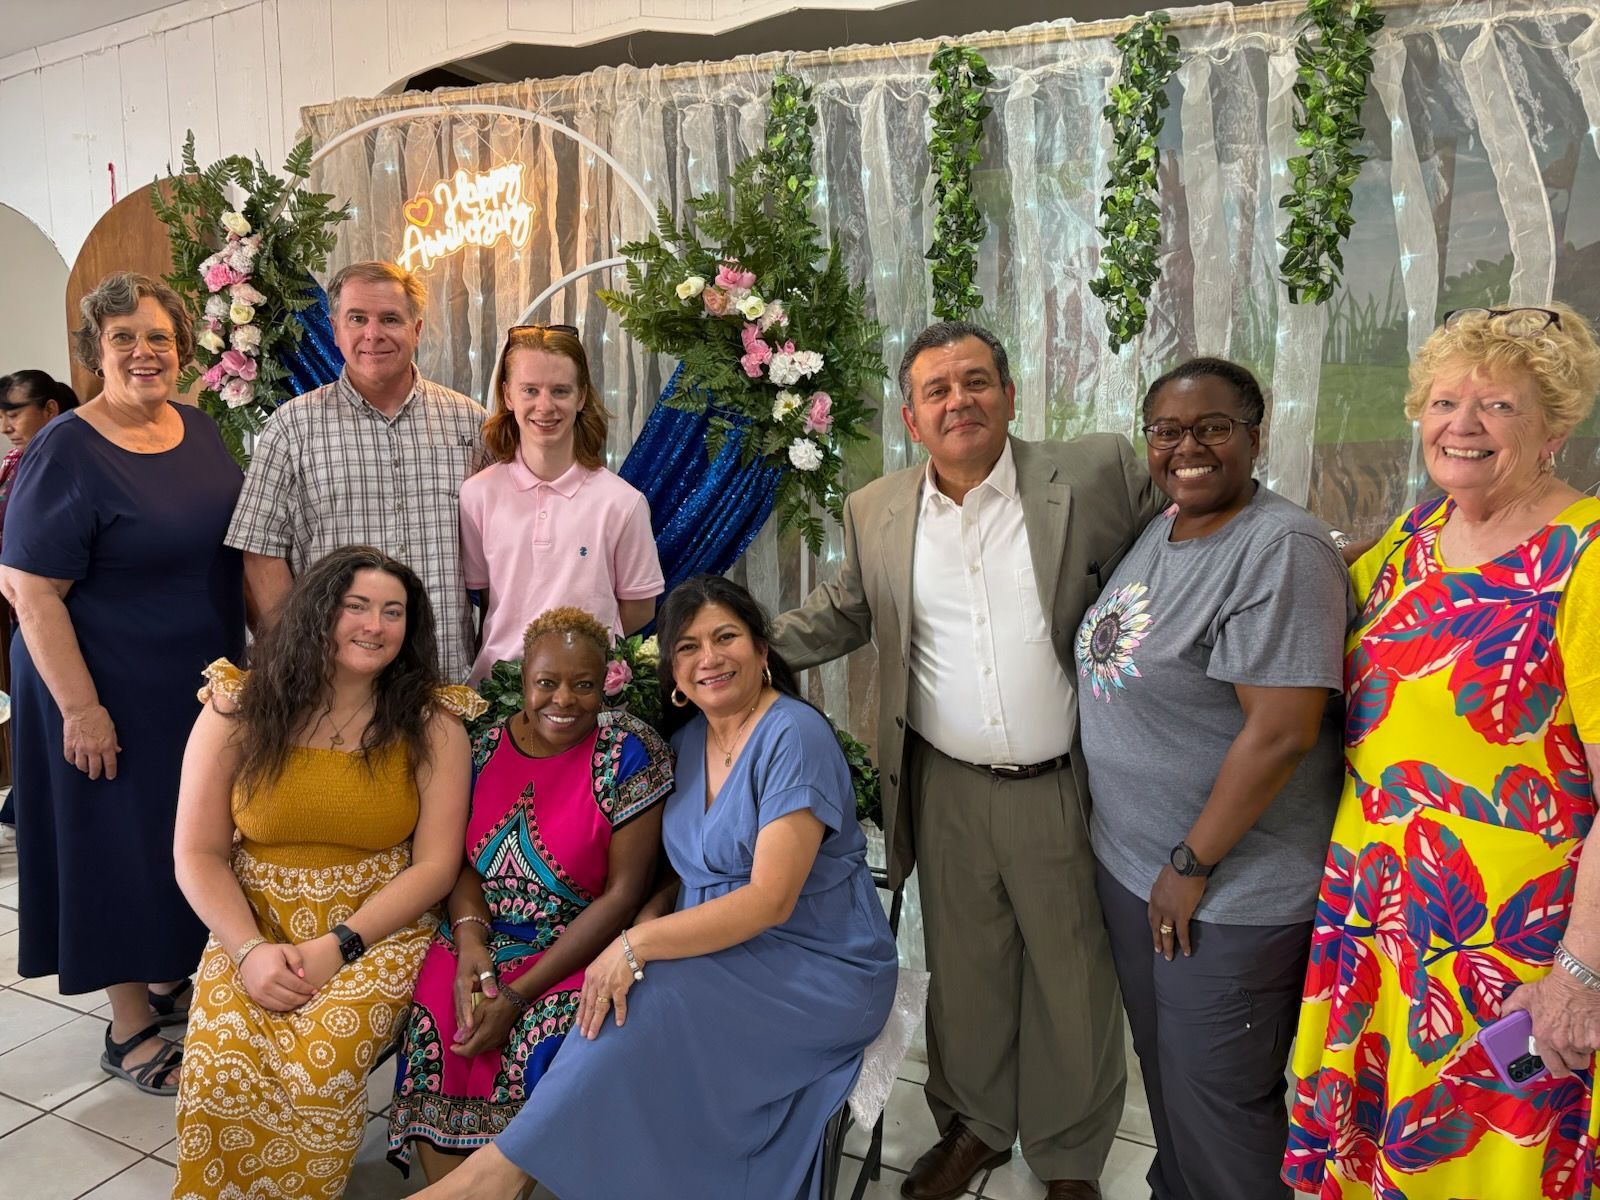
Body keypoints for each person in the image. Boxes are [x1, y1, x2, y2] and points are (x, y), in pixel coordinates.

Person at [770, 320, 1159, 1200]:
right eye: (938, 390)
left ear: (1010, 395)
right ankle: (975, 1126)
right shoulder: (877, 509)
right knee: (968, 972)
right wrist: (719, 648)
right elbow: (843, 612)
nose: (961, 401)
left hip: (1063, 782)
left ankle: (1066, 1158)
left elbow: (1179, 551)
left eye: (977, 381)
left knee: (1072, 979)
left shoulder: (1095, 473)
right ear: (912, 417)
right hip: (942, 782)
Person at [413, 574, 898, 1200]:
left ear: (760, 649)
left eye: (725, 637)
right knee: (616, 1004)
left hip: (814, 963)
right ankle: (509, 1176)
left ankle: (494, 1177)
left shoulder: (794, 735)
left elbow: (770, 899)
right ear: (672, 669)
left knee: (631, 1003)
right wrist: (648, 920)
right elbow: (682, 870)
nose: (709, 658)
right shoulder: (691, 740)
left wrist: (635, 946)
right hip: (721, 950)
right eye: (689, 647)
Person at [1286, 304, 1600, 1198]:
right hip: (1379, 919)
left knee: (1480, 1163)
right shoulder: (1415, 537)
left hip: (1509, 950)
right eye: (1443, 401)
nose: (1460, 424)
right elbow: (1313, 602)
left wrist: (1577, 976)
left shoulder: (1587, 559)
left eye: (1497, 406)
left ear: (1556, 431)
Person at [1074, 358, 1349, 1200]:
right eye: (1167, 431)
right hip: (1138, 868)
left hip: (1226, 890)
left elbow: (1281, 732)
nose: (1187, 447)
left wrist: (1189, 865)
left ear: (1255, 436)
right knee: (1171, 1081)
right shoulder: (1165, 527)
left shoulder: (1279, 548)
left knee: (1220, 1104)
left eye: (1212, 428)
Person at [170, 545, 478, 1198]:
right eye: (356, 607)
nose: (375, 625)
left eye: (393, 612)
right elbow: (195, 852)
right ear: (318, 613)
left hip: (377, 928)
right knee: (218, 1069)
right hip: (254, 921)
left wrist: (339, 946)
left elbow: (435, 865)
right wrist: (249, 951)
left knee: (320, 1069)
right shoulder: (238, 706)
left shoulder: (434, 723)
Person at [0, 273, 244, 1092]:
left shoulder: (201, 430)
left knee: (183, 833)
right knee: (112, 840)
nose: (145, 353)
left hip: (192, 684)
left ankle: (170, 972)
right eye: (124, 340)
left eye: (159, 338)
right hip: (97, 683)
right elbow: (29, 590)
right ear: (95, 353)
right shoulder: (65, 447)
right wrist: (82, 709)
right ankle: (129, 1023)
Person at [387, 605, 674, 1178]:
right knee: (439, 1012)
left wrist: (517, 994)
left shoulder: (629, 752)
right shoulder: (483, 748)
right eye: (547, 682)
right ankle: (450, 1188)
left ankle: (500, 1182)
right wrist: (471, 943)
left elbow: (622, 896)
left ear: (607, 686)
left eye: (584, 685)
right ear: (522, 681)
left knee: (540, 1030)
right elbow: (458, 861)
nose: (564, 699)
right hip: (479, 929)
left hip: (579, 942)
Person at [225, 260, 489, 681]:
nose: (373, 334)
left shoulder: (469, 423)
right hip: (336, 681)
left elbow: (500, 546)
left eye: (390, 319)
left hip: (445, 674)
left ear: (416, 329)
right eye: (357, 319)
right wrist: (299, 657)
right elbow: (260, 553)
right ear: (334, 329)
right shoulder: (291, 428)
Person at [460, 324, 662, 684]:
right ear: (508, 395)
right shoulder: (477, 495)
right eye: (530, 390)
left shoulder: (622, 503)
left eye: (560, 391)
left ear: (581, 396)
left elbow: (639, 608)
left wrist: (579, 651)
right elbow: (490, 600)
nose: (545, 406)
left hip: (587, 697)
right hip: (497, 692)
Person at [0, 370, 79, 842]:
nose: (7, 424)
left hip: (64, 617)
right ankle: (21, 811)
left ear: (49, 408)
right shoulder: (17, 462)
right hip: (24, 609)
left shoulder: (65, 459)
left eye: (14, 412)